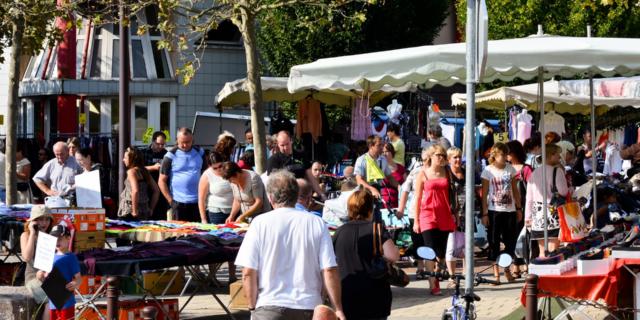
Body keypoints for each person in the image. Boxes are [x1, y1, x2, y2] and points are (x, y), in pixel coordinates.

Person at [235, 170, 345, 320]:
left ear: (270, 197)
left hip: (268, 306)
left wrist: (252, 305)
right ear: (296, 195)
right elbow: (329, 269)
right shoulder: (316, 222)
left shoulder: (259, 223)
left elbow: (248, 272)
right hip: (308, 306)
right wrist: (337, 308)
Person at [332, 188, 400, 319]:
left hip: (347, 293)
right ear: (370, 208)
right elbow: (393, 256)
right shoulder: (377, 229)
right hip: (375, 294)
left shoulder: (339, 232)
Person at [413, 144, 456, 295]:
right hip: (427, 214)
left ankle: (438, 273)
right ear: (431, 156)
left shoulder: (447, 172)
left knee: (441, 252)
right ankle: (433, 283)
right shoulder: (423, 174)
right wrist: (416, 220)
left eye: (443, 155)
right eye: (438, 155)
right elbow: (417, 198)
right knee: (429, 249)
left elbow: (453, 193)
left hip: (444, 214)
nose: (441, 158)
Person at [481, 142, 521, 284]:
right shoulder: (488, 171)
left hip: (509, 210)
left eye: (506, 154)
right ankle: (496, 273)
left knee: (510, 242)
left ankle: (507, 269)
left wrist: (518, 208)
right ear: (495, 155)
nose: (505, 157)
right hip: (494, 210)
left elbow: (515, 190)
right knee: (494, 241)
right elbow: (484, 193)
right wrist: (484, 213)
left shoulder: (510, 169)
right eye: (502, 154)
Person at [525, 144, 569, 257]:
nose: (559, 157)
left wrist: (528, 217)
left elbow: (529, 198)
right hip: (553, 213)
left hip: (538, 215)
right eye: (557, 154)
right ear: (550, 155)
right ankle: (551, 272)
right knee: (553, 250)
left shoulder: (534, 173)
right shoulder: (557, 171)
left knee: (542, 251)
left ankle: (542, 273)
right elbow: (564, 192)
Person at [159, 128, 205, 222]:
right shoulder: (170, 156)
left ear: (192, 139)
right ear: (177, 140)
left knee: (197, 234)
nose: (185, 145)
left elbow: (207, 174)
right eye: (182, 142)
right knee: (179, 234)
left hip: (198, 202)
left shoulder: (200, 152)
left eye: (188, 142)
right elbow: (161, 181)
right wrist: (171, 201)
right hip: (178, 203)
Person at [36, 224, 82, 320]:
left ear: (68, 238)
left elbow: (78, 277)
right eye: (54, 239)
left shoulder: (71, 257)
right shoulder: (49, 256)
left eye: (60, 238)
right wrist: (40, 274)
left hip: (66, 300)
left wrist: (75, 283)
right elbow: (42, 275)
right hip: (53, 299)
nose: (57, 241)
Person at [267, 130, 326, 200]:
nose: (285, 148)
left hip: (302, 195)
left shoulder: (301, 155)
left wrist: (320, 193)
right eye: (282, 145)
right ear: (277, 144)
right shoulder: (273, 160)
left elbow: (310, 176)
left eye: (287, 144)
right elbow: (272, 183)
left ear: (291, 141)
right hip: (285, 196)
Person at [397, 148, 428, 280]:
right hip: (414, 212)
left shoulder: (439, 172)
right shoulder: (416, 172)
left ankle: (434, 267)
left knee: (429, 241)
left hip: (431, 212)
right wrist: (401, 209)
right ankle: (420, 267)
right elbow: (405, 189)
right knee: (418, 241)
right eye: (426, 159)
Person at [21, 205, 54, 318]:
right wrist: (32, 233)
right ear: (33, 221)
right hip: (33, 277)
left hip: (49, 276)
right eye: (40, 219)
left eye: (47, 219)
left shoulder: (50, 236)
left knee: (66, 297)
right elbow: (26, 257)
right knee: (51, 302)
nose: (44, 222)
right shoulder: (26, 235)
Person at [506, 140, 533, 276]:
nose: (506, 155)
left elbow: (532, 188)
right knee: (512, 237)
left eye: (508, 152)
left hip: (523, 207)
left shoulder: (526, 169)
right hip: (508, 208)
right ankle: (516, 264)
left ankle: (525, 264)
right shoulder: (506, 168)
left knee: (524, 237)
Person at [118, 147, 160, 220]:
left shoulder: (131, 172)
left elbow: (135, 191)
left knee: (127, 231)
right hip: (144, 209)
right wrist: (151, 208)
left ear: (131, 159)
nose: (123, 160)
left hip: (130, 209)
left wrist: (134, 211)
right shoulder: (144, 171)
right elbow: (156, 190)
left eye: (125, 157)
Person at [444, 147, 465, 284]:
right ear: (449, 159)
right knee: (451, 245)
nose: (458, 159)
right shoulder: (446, 174)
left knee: (466, 245)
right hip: (452, 213)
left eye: (459, 156)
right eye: (454, 157)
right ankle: (452, 276)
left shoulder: (466, 172)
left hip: (466, 211)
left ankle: (466, 273)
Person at [198, 152, 234, 224]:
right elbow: (201, 199)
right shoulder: (206, 175)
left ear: (223, 162)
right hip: (216, 212)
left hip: (234, 210)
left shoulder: (230, 169)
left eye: (220, 166)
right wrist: (203, 219)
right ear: (209, 166)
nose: (218, 169)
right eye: (215, 168)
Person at [380, 143, 405, 208]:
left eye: (387, 151)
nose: (384, 154)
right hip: (384, 202)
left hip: (399, 200)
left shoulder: (400, 167)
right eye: (382, 152)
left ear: (392, 152)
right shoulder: (379, 168)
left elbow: (406, 184)